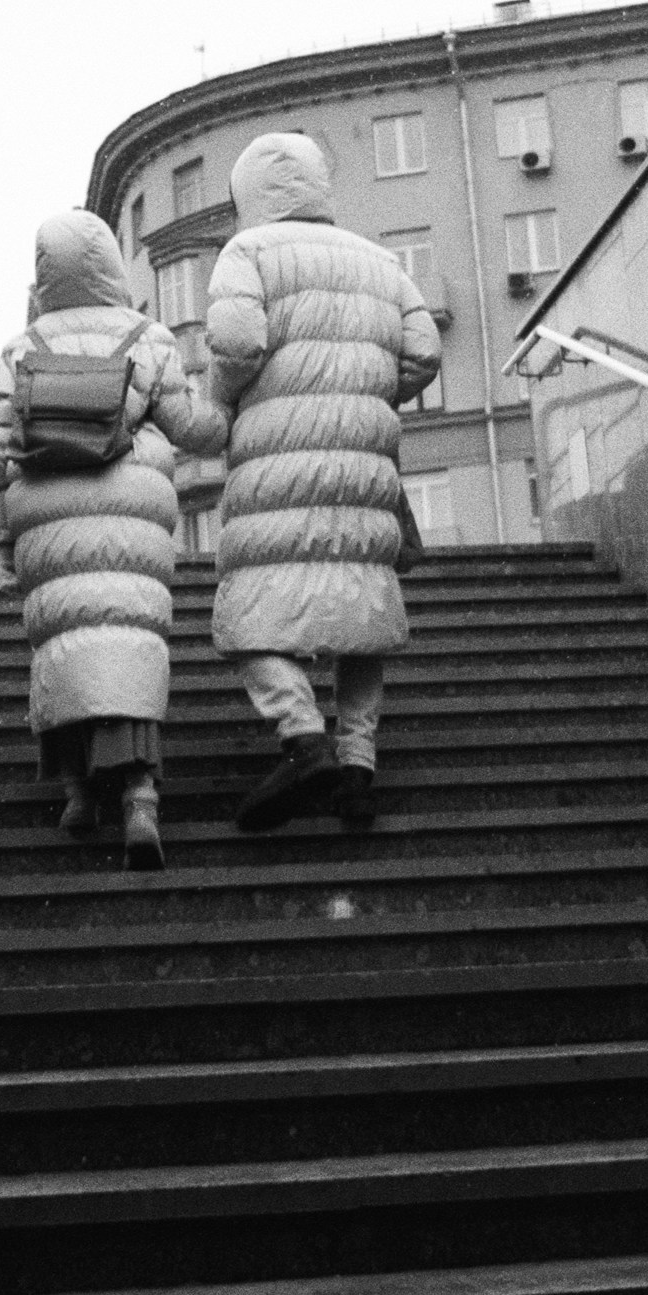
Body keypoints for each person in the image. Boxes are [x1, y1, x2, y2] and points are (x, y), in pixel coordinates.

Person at [202, 133, 443, 832]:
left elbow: (238, 342)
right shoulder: (381, 261)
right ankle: (358, 769)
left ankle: (303, 738)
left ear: (249, 192)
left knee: (249, 611)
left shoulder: (246, 253)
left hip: (277, 453)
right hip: (364, 457)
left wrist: (225, 399)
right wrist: (366, 391)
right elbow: (424, 352)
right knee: (364, 612)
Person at [0, 210, 228, 869]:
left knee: (64, 641)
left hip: (46, 513)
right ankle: (141, 796)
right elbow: (187, 423)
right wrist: (233, 409)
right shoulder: (148, 335)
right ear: (111, 265)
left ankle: (77, 791)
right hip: (129, 512)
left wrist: (3, 540)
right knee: (127, 638)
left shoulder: (20, 346)